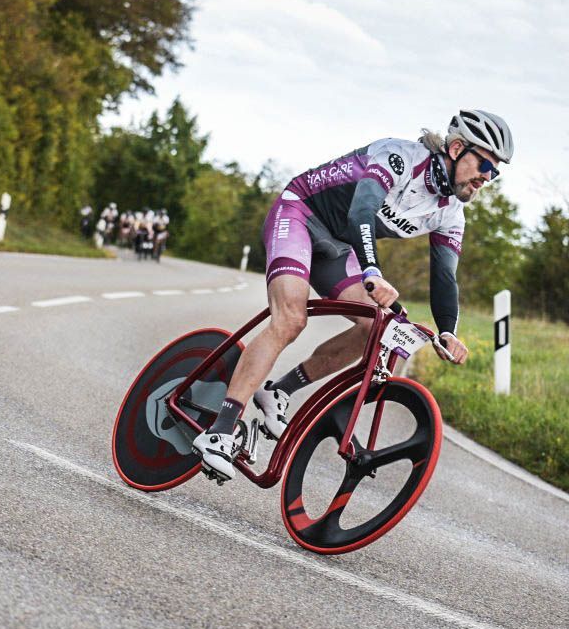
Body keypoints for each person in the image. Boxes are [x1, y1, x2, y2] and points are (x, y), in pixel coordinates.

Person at [192, 109, 513, 479]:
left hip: (337, 246)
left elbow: (444, 276)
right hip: (299, 214)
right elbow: (362, 211)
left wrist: (447, 331)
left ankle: (278, 391)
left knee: (377, 328)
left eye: (495, 173)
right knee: (291, 319)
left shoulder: (451, 214)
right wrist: (372, 272)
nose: (486, 178)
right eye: (484, 166)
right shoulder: (401, 157)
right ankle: (220, 430)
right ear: (457, 149)